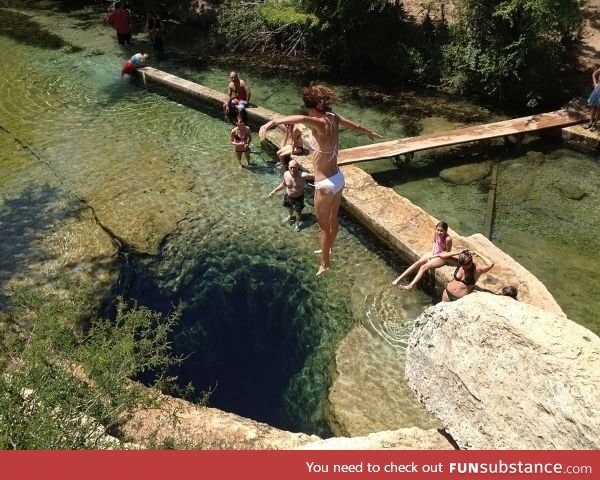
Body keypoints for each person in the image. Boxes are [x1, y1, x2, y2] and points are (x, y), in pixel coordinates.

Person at [259, 84, 383, 276]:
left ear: (312, 107)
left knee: (323, 227)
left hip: (325, 184)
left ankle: (324, 263)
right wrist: (369, 132)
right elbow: (355, 126)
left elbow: (300, 118)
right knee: (333, 220)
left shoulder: (319, 122)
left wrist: (271, 123)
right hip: (338, 179)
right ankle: (329, 249)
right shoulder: (333, 118)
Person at [392, 221, 452, 290]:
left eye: (441, 231)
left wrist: (434, 257)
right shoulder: (436, 233)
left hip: (442, 257)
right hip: (434, 253)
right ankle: (398, 279)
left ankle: (410, 286)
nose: (439, 232)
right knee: (417, 263)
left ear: (446, 231)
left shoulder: (448, 239)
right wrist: (433, 253)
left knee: (424, 267)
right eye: (438, 230)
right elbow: (435, 243)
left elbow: (447, 253)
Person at [268, 160, 313, 232]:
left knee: (298, 212)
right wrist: (274, 191)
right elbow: (283, 184)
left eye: (294, 167)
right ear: (288, 167)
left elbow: (316, 176)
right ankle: (290, 216)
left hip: (298, 198)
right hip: (288, 196)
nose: (292, 169)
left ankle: (297, 224)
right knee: (289, 208)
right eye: (291, 167)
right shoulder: (286, 174)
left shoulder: (303, 175)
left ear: (298, 167)